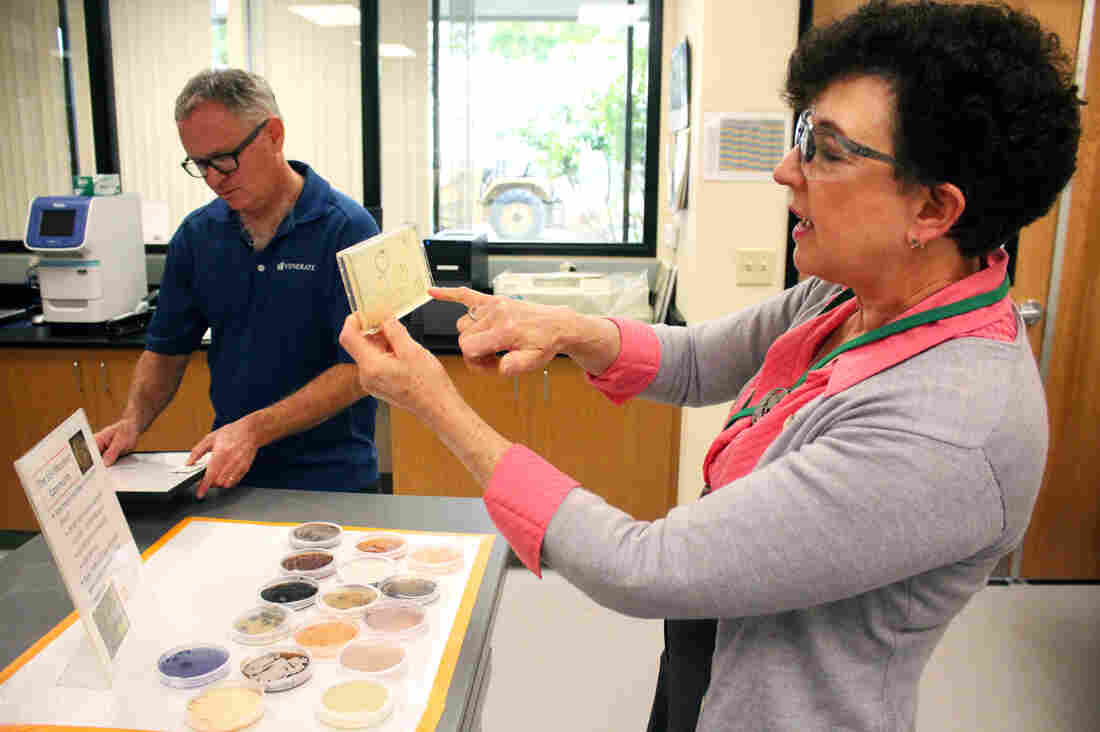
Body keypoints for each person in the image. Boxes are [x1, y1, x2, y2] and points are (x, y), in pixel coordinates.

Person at [338, 2, 1081, 729]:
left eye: (826, 149)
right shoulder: (846, 295)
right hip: (713, 654)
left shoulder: (947, 429)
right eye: (802, 137)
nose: (786, 171)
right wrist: (562, 326)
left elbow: (645, 566)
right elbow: (696, 359)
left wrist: (435, 403)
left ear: (933, 211)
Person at [95, 69, 380, 498]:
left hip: (333, 478)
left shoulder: (348, 229)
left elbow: (360, 369)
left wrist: (254, 429)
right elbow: (166, 350)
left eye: (224, 159)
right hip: (231, 474)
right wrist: (134, 421)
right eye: (199, 164)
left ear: (274, 135)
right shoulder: (197, 235)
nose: (213, 178)